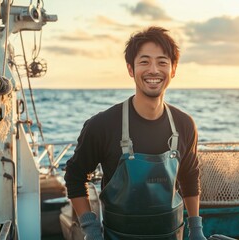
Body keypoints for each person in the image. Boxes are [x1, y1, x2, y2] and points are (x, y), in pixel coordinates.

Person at [64, 26, 207, 240]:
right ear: (131, 69)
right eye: (144, 62)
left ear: (173, 69)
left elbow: (190, 177)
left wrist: (196, 229)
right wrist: (91, 229)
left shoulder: (184, 125)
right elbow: (75, 177)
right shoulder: (101, 125)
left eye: (162, 62)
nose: (153, 70)